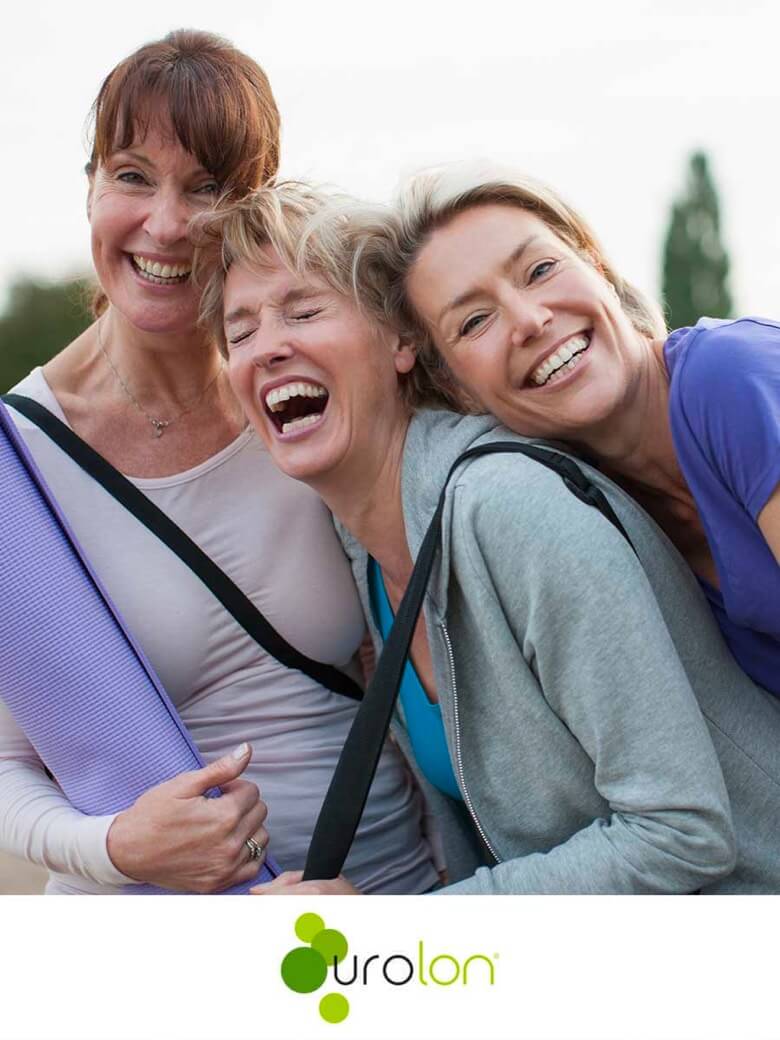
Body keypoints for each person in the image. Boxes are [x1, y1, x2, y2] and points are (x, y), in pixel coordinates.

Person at [194, 183, 780, 895]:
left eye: (304, 311)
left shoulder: (510, 508)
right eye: (241, 332)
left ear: (403, 342)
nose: (268, 349)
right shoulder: (366, 562)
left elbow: (682, 833)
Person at [0, 32, 438, 896]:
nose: (165, 223)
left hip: (386, 906)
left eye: (207, 187)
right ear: (89, 186)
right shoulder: (19, 462)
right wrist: (116, 845)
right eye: (131, 175)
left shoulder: (308, 397)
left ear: (253, 206)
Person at [369, 164, 779, 698]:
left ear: (597, 266)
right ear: (456, 388)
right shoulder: (592, 515)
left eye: (539, 270)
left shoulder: (730, 377)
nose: (530, 319)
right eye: (474, 321)